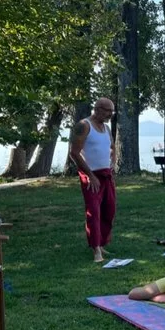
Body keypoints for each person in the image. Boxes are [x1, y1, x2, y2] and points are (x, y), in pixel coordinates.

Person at [69, 97, 116, 262]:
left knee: (109, 210)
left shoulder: (106, 128)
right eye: (108, 111)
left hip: (106, 175)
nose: (110, 114)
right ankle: (96, 249)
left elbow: (112, 147)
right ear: (97, 109)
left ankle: (101, 243)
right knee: (94, 212)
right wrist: (90, 175)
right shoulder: (84, 125)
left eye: (112, 111)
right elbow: (74, 153)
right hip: (91, 176)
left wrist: (113, 160)